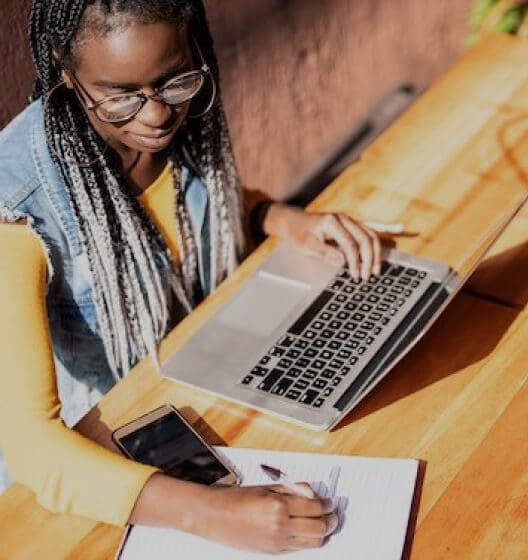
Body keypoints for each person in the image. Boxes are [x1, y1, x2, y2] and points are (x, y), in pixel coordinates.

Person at [0, 0, 384, 553]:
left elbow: (181, 218)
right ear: (64, 70)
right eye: (121, 95)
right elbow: (31, 445)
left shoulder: (184, 115)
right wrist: (207, 515)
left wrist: (272, 216)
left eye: (173, 81)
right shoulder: (18, 211)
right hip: (104, 465)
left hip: (199, 388)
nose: (156, 115)